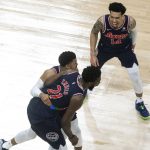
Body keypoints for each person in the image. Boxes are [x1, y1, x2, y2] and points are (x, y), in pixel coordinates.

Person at [0, 51, 83, 150]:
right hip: (49, 109)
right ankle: (5, 145)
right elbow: (33, 89)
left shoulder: (75, 71)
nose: (77, 64)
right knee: (39, 136)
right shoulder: (50, 73)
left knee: (75, 131)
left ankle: (4, 145)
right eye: (75, 62)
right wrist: (42, 95)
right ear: (68, 65)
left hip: (64, 108)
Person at [90, 2, 149, 119]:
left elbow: (134, 31)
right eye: (111, 17)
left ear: (123, 16)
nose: (114, 20)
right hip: (105, 49)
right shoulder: (102, 21)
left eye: (117, 18)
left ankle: (139, 102)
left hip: (124, 50)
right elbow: (93, 33)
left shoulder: (130, 22)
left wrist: (134, 43)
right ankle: (86, 89)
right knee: (92, 71)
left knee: (135, 73)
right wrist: (92, 53)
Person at [26, 66, 101, 150]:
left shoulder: (72, 72)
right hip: (41, 116)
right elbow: (65, 122)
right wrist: (71, 137)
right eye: (98, 79)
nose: (100, 81)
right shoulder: (78, 98)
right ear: (92, 82)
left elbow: (47, 83)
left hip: (35, 103)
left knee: (59, 142)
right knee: (61, 147)